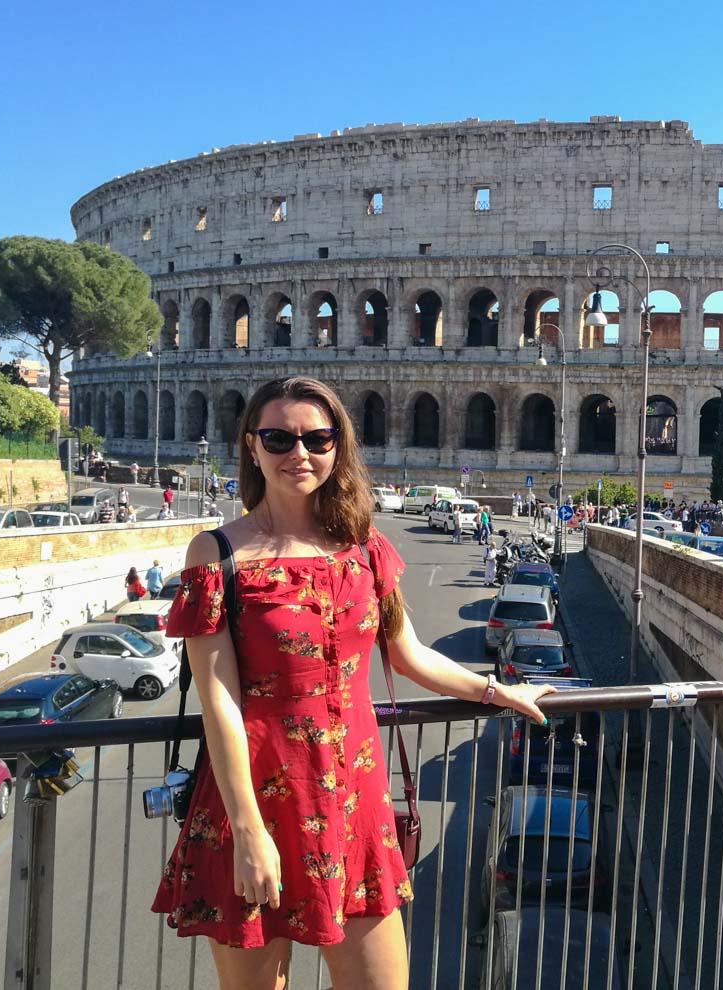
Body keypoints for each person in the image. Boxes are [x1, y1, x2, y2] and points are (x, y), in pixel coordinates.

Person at [151, 376, 553, 987]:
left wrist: (500, 691)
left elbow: (410, 655)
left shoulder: (365, 548)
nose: (299, 453)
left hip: (353, 798)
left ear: (339, 446)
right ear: (252, 446)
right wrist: (248, 831)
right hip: (256, 799)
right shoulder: (216, 556)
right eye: (279, 438)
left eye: (317, 438)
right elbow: (221, 704)